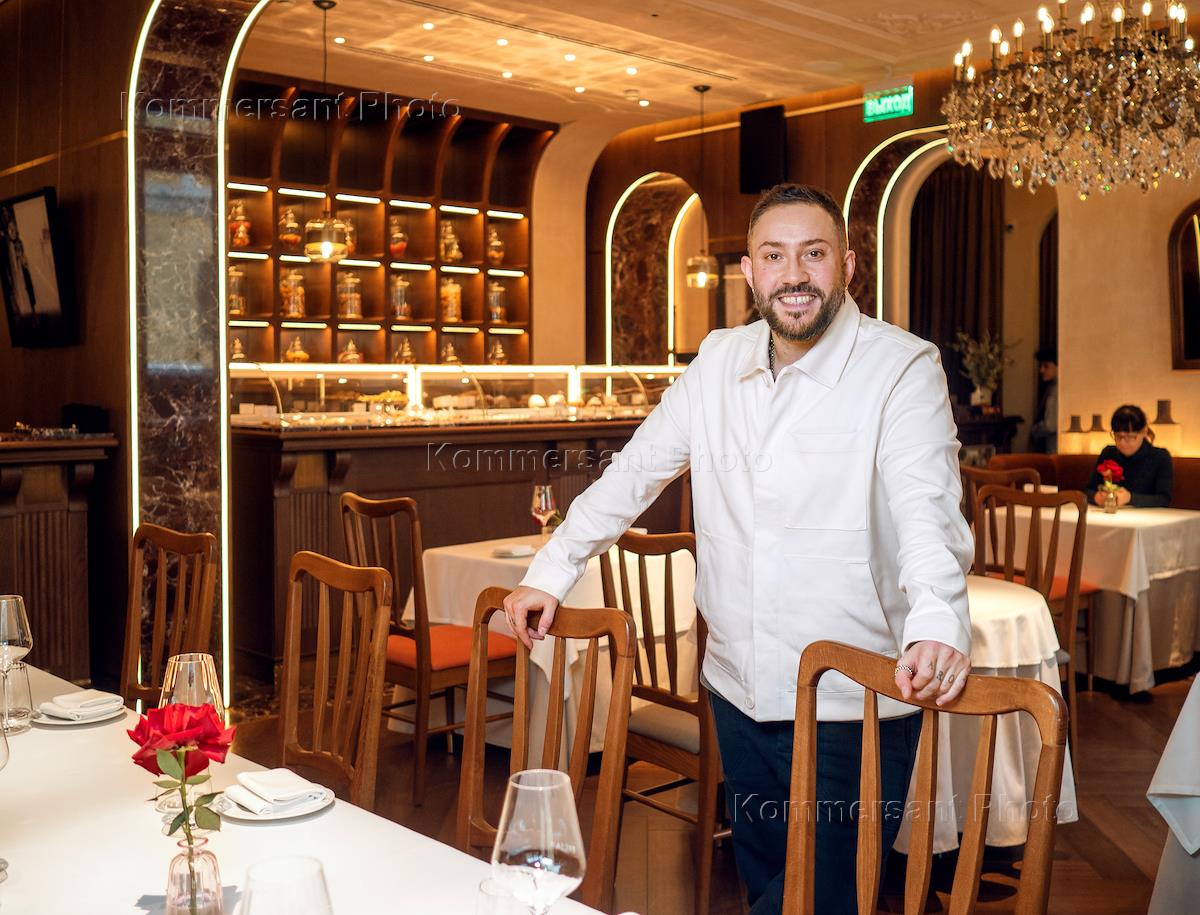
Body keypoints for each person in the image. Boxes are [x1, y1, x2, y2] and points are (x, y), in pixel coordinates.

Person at [503, 184, 973, 914]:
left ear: (847, 265)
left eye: (814, 254)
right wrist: (553, 569)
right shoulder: (719, 359)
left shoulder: (901, 367)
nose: (794, 275)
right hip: (736, 689)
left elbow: (927, 510)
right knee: (764, 881)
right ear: (749, 271)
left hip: (852, 702)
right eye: (774, 256)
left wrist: (937, 619)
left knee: (824, 901)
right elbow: (633, 474)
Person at [1084, 404, 1174, 508]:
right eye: (1118, 436)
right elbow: (1088, 490)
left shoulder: (1160, 457)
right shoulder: (1109, 453)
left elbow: (1164, 499)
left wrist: (1130, 498)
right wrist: (1097, 497)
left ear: (1144, 431)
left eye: (1130, 437)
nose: (1122, 443)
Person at [1029, 347, 1058, 454]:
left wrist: (1034, 430)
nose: (1041, 370)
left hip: (1053, 449)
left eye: (1046, 366)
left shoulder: (1056, 391)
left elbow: (1050, 425)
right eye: (1041, 366)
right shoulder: (1052, 388)